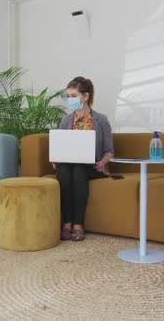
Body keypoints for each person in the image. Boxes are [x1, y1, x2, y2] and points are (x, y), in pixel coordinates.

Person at [54, 77, 114, 241]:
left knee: (78, 169)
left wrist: (103, 162)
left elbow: (109, 151)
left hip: (94, 167)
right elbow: (60, 146)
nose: (70, 100)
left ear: (85, 96)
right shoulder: (66, 120)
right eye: (68, 96)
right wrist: (56, 158)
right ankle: (67, 223)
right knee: (66, 169)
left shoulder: (101, 120)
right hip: (69, 165)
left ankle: (78, 224)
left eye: (73, 96)